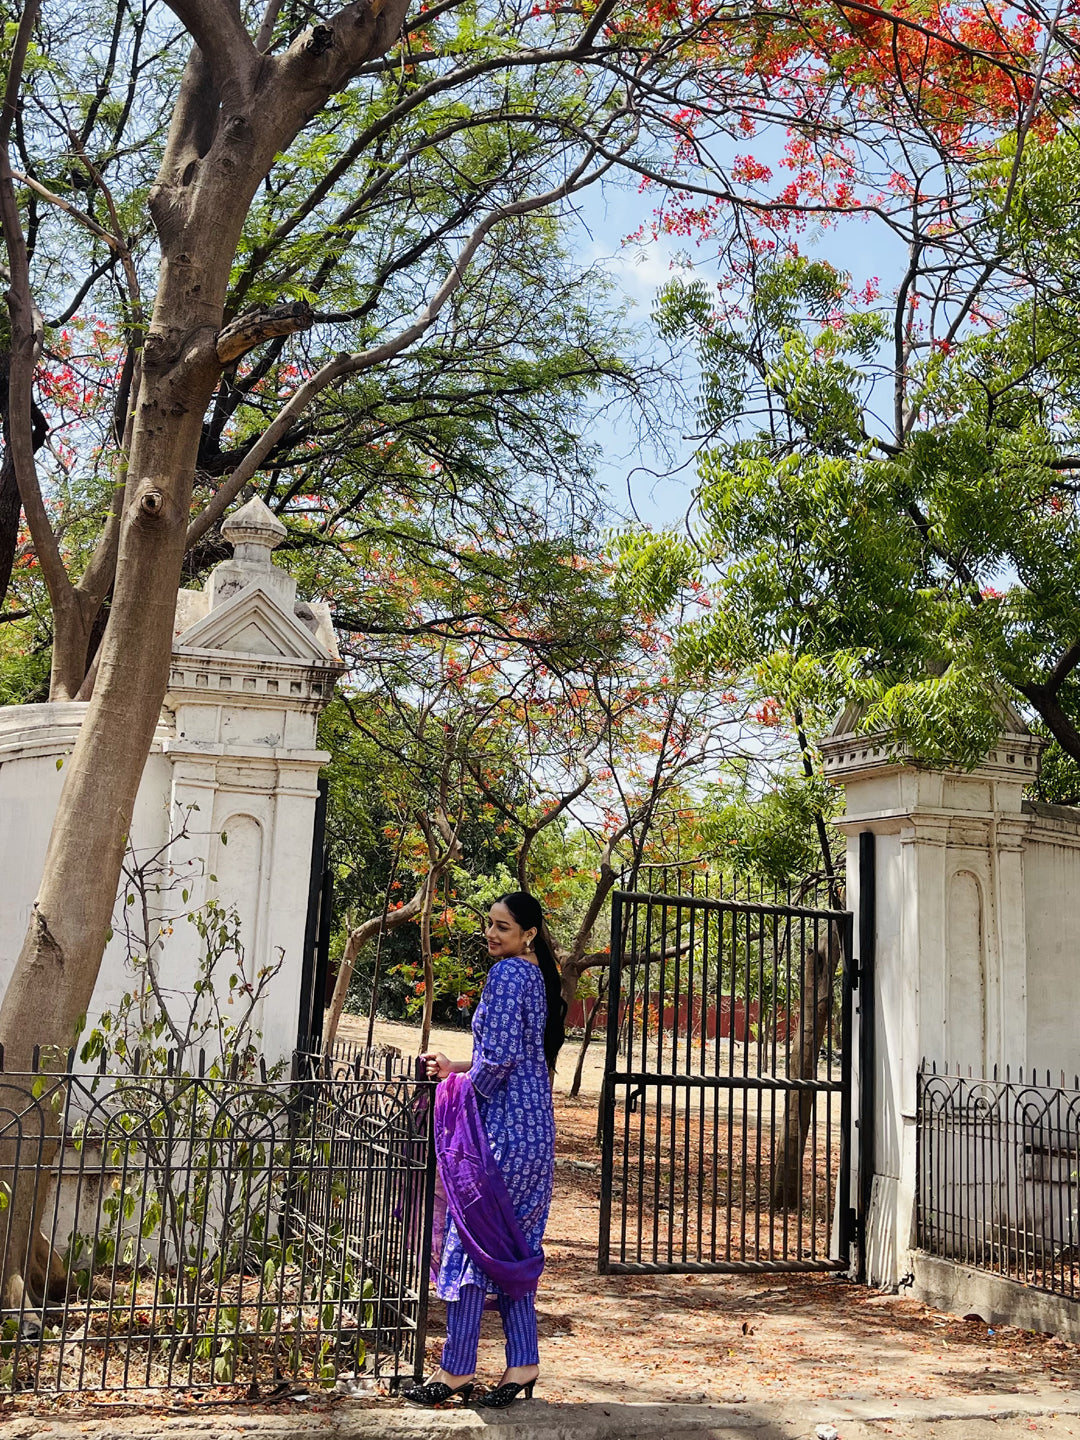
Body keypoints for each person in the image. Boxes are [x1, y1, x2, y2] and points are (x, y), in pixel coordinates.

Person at [403, 891, 566, 1409]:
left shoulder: (506, 976)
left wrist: (455, 1083)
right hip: (536, 1135)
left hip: (501, 1137)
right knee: (511, 1249)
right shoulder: (539, 978)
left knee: (471, 1246)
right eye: (490, 925)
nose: (492, 934)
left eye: (503, 927)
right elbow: (512, 1057)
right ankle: (522, 1363)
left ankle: (456, 1372)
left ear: (529, 934)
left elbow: (495, 1064)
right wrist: (460, 1069)